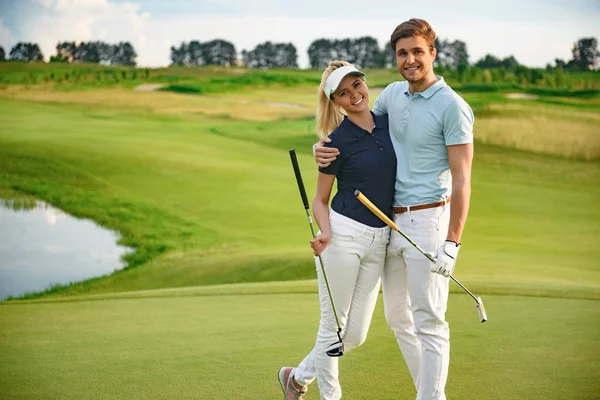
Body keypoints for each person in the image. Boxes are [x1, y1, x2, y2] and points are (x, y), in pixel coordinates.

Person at [314, 19, 474, 400]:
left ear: (432, 53)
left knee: (429, 322)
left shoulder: (453, 107)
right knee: (398, 318)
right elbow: (354, 128)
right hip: (390, 225)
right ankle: (302, 375)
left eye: (418, 51)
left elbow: (463, 179)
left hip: (428, 220)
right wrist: (321, 148)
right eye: (402, 53)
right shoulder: (392, 96)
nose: (410, 60)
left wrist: (453, 242)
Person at [278, 61, 397, 400]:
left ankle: (298, 376)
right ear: (336, 102)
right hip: (343, 237)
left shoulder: (391, 124)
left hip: (380, 240)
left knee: (355, 335)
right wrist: (325, 232)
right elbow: (319, 200)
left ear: (365, 83)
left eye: (356, 85)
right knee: (332, 329)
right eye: (344, 93)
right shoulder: (335, 142)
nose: (354, 95)